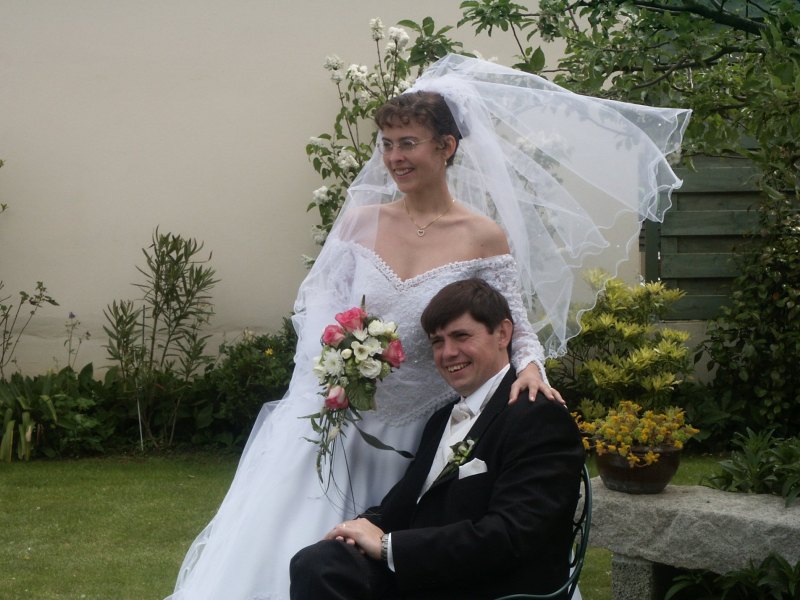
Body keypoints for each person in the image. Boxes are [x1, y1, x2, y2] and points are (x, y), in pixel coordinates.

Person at [168, 55, 690, 600]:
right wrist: (337, 358)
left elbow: (511, 322)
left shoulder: (482, 234)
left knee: (419, 547)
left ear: (447, 147)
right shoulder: (360, 222)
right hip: (346, 414)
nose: (395, 157)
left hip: (428, 422)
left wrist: (531, 367)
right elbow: (319, 308)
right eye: (388, 144)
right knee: (303, 553)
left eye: (408, 143)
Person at [289, 278, 585, 599]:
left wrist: (389, 546)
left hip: (493, 584)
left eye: (461, 336)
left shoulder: (537, 416)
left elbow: (513, 535)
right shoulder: (442, 417)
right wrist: (355, 531)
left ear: (503, 334)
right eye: (437, 342)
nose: (448, 353)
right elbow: (405, 503)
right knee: (319, 563)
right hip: (431, 572)